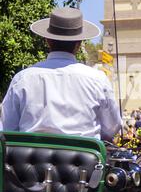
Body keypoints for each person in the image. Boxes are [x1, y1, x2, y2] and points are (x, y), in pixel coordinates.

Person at [1, 7, 122, 140]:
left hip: (28, 159)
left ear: (48, 40)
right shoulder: (97, 79)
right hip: (85, 159)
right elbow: (112, 128)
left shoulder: (23, 79)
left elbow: (7, 128)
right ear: (79, 43)